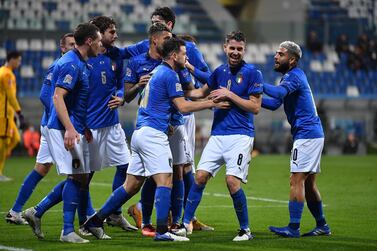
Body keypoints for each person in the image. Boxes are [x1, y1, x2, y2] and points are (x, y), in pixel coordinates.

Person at [83, 37, 229, 242]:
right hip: (153, 135)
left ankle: (95, 221)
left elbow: (180, 98)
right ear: (174, 55)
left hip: (140, 133)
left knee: (131, 185)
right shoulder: (169, 75)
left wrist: (207, 92)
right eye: (184, 54)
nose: (187, 58)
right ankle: (162, 231)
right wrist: (210, 103)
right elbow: (184, 106)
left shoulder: (158, 71)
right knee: (165, 180)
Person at [124, 6, 214, 232]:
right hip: (156, 119)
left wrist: (211, 90)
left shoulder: (186, 48)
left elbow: (198, 81)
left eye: (159, 22)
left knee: (182, 168)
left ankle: (183, 219)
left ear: (170, 26)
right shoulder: (144, 52)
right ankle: (159, 218)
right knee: (164, 172)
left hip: (182, 114)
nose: (154, 24)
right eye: (152, 21)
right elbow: (121, 53)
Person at [180, 31, 263, 241]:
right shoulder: (219, 71)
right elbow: (200, 93)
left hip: (241, 136)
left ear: (245, 50)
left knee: (232, 181)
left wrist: (230, 95)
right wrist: (175, 93)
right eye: (232, 48)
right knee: (199, 176)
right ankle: (185, 224)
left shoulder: (253, 73)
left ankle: (245, 230)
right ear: (225, 48)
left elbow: (255, 107)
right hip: (217, 135)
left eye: (239, 49)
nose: (235, 52)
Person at [23, 23, 102, 243]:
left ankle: (37, 212)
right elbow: (57, 97)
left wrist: (81, 126)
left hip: (71, 127)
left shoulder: (80, 62)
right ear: (89, 41)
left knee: (80, 176)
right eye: (98, 40)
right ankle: (66, 230)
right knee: (77, 176)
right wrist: (69, 128)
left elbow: (76, 101)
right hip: (60, 129)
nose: (100, 44)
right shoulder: (71, 64)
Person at [261, 41, 331, 238]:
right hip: (312, 134)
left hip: (307, 135)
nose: (275, 56)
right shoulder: (289, 77)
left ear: (291, 60)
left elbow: (278, 93)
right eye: (275, 53)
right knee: (308, 185)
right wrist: (248, 101)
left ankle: (293, 228)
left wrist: (257, 82)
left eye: (280, 54)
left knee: (296, 180)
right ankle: (322, 225)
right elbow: (274, 103)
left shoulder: (295, 76)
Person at [5, 33, 75, 224]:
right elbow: (45, 96)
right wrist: (60, 117)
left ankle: (15, 211)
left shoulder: (72, 64)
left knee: (42, 168)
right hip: (55, 126)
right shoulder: (58, 65)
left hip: (52, 124)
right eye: (70, 44)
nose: (73, 47)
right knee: (77, 174)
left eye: (75, 44)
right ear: (62, 47)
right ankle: (85, 220)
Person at [82, 15, 137, 232]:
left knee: (127, 167)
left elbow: (121, 84)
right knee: (85, 177)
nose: (116, 36)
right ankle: (85, 218)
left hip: (112, 124)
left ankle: (114, 214)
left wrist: (121, 95)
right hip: (92, 126)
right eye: (111, 32)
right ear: (98, 34)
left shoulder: (116, 57)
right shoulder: (84, 60)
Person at [0, 51, 23, 182]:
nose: (19, 63)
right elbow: (11, 96)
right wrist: (19, 112)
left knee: (15, 138)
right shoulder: (7, 74)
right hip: (3, 115)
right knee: (3, 144)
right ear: (12, 59)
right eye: (18, 60)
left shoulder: (1, 71)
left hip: (7, 113)